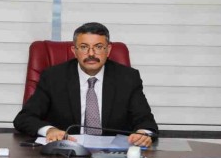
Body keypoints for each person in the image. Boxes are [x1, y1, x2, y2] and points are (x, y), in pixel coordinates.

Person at [13, 22, 158, 147]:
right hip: (65, 152)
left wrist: (143, 134)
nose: (91, 54)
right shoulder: (53, 77)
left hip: (112, 154)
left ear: (108, 50)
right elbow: (24, 118)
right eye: (83, 47)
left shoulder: (128, 78)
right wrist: (50, 130)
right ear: (74, 51)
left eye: (98, 47)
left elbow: (146, 122)